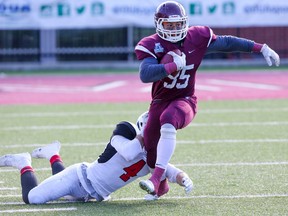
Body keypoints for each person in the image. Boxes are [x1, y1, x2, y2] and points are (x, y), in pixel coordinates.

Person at [134, 1, 280, 195]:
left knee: (169, 121)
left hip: (185, 99)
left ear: (185, 23)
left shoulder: (196, 37)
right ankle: (160, 187)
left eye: (179, 24)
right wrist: (170, 67)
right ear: (159, 24)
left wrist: (260, 48)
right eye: (170, 25)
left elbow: (227, 43)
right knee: (150, 148)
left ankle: (154, 178)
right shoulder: (152, 44)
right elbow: (145, 74)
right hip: (159, 101)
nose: (175, 29)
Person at [0, 115, 193, 204]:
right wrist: (144, 137)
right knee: (32, 198)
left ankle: (53, 155)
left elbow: (169, 170)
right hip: (79, 177)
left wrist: (184, 179)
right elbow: (128, 153)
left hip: (94, 195)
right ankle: (23, 162)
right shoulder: (124, 132)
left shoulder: (153, 156)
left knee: (63, 192)